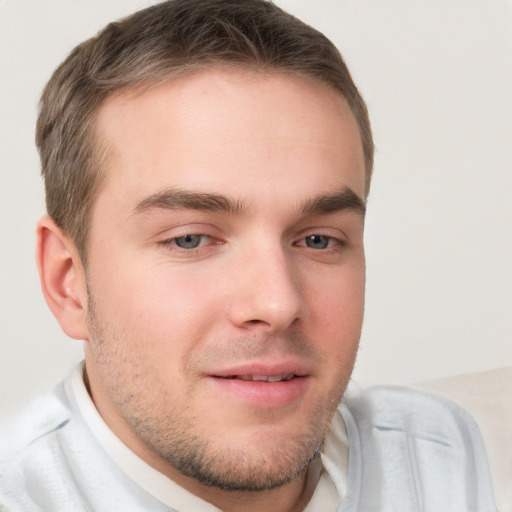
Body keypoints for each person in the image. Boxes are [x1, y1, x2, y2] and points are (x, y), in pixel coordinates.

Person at [0, 1, 497, 511]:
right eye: (190, 239)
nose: (278, 303)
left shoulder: (440, 456)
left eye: (318, 239)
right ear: (67, 281)